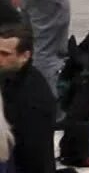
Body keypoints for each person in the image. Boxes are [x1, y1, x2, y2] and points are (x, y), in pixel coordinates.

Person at [0, 23, 56, 173]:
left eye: (5, 54)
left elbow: (35, 153)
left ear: (25, 56)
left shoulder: (33, 96)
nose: (0, 59)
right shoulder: (8, 77)